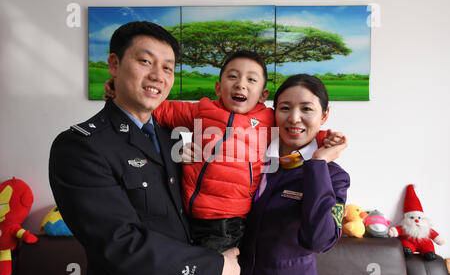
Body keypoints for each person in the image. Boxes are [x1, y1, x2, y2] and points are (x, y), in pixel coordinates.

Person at [48, 21, 240, 275]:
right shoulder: (81, 147)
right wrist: (215, 268)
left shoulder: (174, 139)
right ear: (114, 65)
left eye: (167, 68)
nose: (158, 76)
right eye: (145, 61)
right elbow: (119, 245)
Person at [104, 51, 339, 254]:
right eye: (232, 77)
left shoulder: (267, 119)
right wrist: (122, 93)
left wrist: (324, 139)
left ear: (263, 95)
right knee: (176, 269)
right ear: (218, 87)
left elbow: (297, 131)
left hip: (227, 221)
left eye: (251, 79)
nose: (241, 84)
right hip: (185, 212)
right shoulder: (201, 110)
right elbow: (161, 110)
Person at [228, 74, 350, 275]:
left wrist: (317, 164)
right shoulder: (251, 157)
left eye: (306, 109)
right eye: (285, 108)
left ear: (324, 115)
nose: (294, 118)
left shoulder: (333, 177)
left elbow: (319, 240)